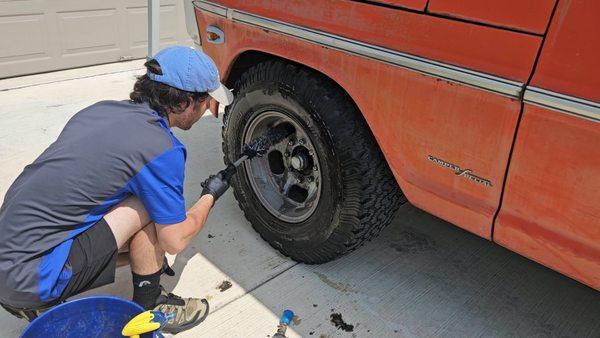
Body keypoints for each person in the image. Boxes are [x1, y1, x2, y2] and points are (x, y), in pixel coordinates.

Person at [0, 46, 235, 334]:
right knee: (154, 209)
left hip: (9, 251)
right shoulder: (161, 149)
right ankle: (151, 308)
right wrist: (210, 196)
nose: (208, 111)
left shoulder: (101, 110)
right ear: (185, 102)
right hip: (28, 280)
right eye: (206, 102)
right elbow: (175, 241)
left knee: (141, 197)